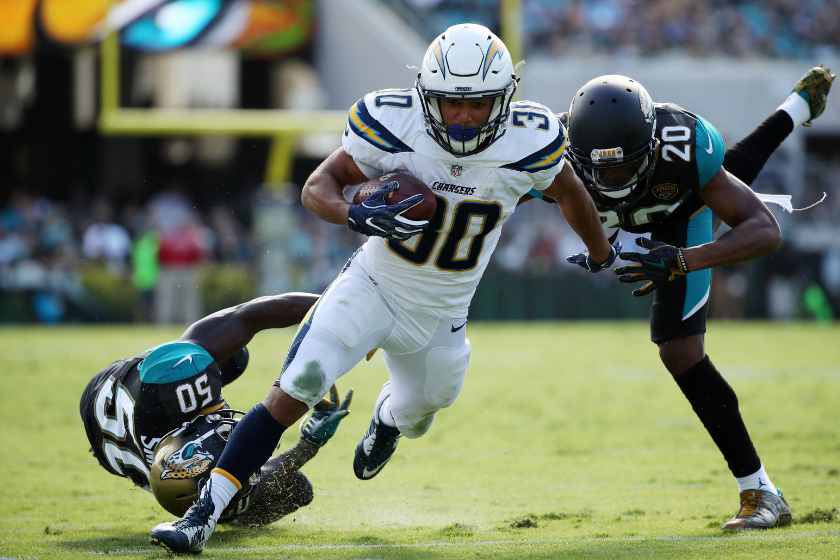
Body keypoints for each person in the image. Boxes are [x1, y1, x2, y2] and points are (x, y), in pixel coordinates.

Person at [149, 23, 616, 553]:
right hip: (372, 284)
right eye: (449, 102)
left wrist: (602, 253)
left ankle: (387, 417)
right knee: (296, 386)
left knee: (427, 406)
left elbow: (571, 190)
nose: (463, 116)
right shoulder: (393, 123)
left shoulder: (530, 140)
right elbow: (316, 187)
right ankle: (201, 517)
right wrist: (356, 212)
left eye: (478, 104)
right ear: (425, 94)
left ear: (505, 99)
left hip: (443, 314)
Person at [558, 65, 835, 530]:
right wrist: (599, 252)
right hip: (620, 222)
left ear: (648, 146)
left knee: (680, 349)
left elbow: (766, 231)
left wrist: (684, 259)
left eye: (625, 164)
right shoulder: (553, 150)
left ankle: (760, 490)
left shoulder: (681, 146)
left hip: (677, 217)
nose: (613, 177)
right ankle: (799, 106)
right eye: (601, 167)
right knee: (724, 178)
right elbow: (500, 196)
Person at [80, 292, 354, 529]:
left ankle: (226, 511)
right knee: (295, 490)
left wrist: (342, 308)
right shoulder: (182, 477)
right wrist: (310, 444)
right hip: (118, 436)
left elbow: (249, 315)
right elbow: (272, 479)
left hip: (111, 388)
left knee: (235, 357)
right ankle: (227, 514)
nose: (228, 434)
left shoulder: (170, 388)